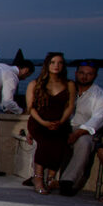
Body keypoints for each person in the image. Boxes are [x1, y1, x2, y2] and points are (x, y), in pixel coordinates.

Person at [58, 61, 103, 196]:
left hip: (85, 131)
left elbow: (98, 119)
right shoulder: (65, 90)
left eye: (89, 74)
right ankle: (38, 174)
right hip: (63, 126)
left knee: (84, 143)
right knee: (43, 136)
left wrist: (77, 134)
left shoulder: (102, 96)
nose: (84, 77)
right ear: (76, 73)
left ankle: (67, 181)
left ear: (95, 76)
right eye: (81, 73)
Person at [25, 52, 76, 195]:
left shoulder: (69, 84)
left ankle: (51, 178)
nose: (56, 66)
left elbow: (70, 106)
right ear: (47, 65)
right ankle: (38, 178)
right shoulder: (35, 84)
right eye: (53, 62)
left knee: (60, 140)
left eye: (60, 63)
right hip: (39, 121)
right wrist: (44, 122)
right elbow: (31, 108)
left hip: (59, 121)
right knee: (45, 142)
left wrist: (60, 122)